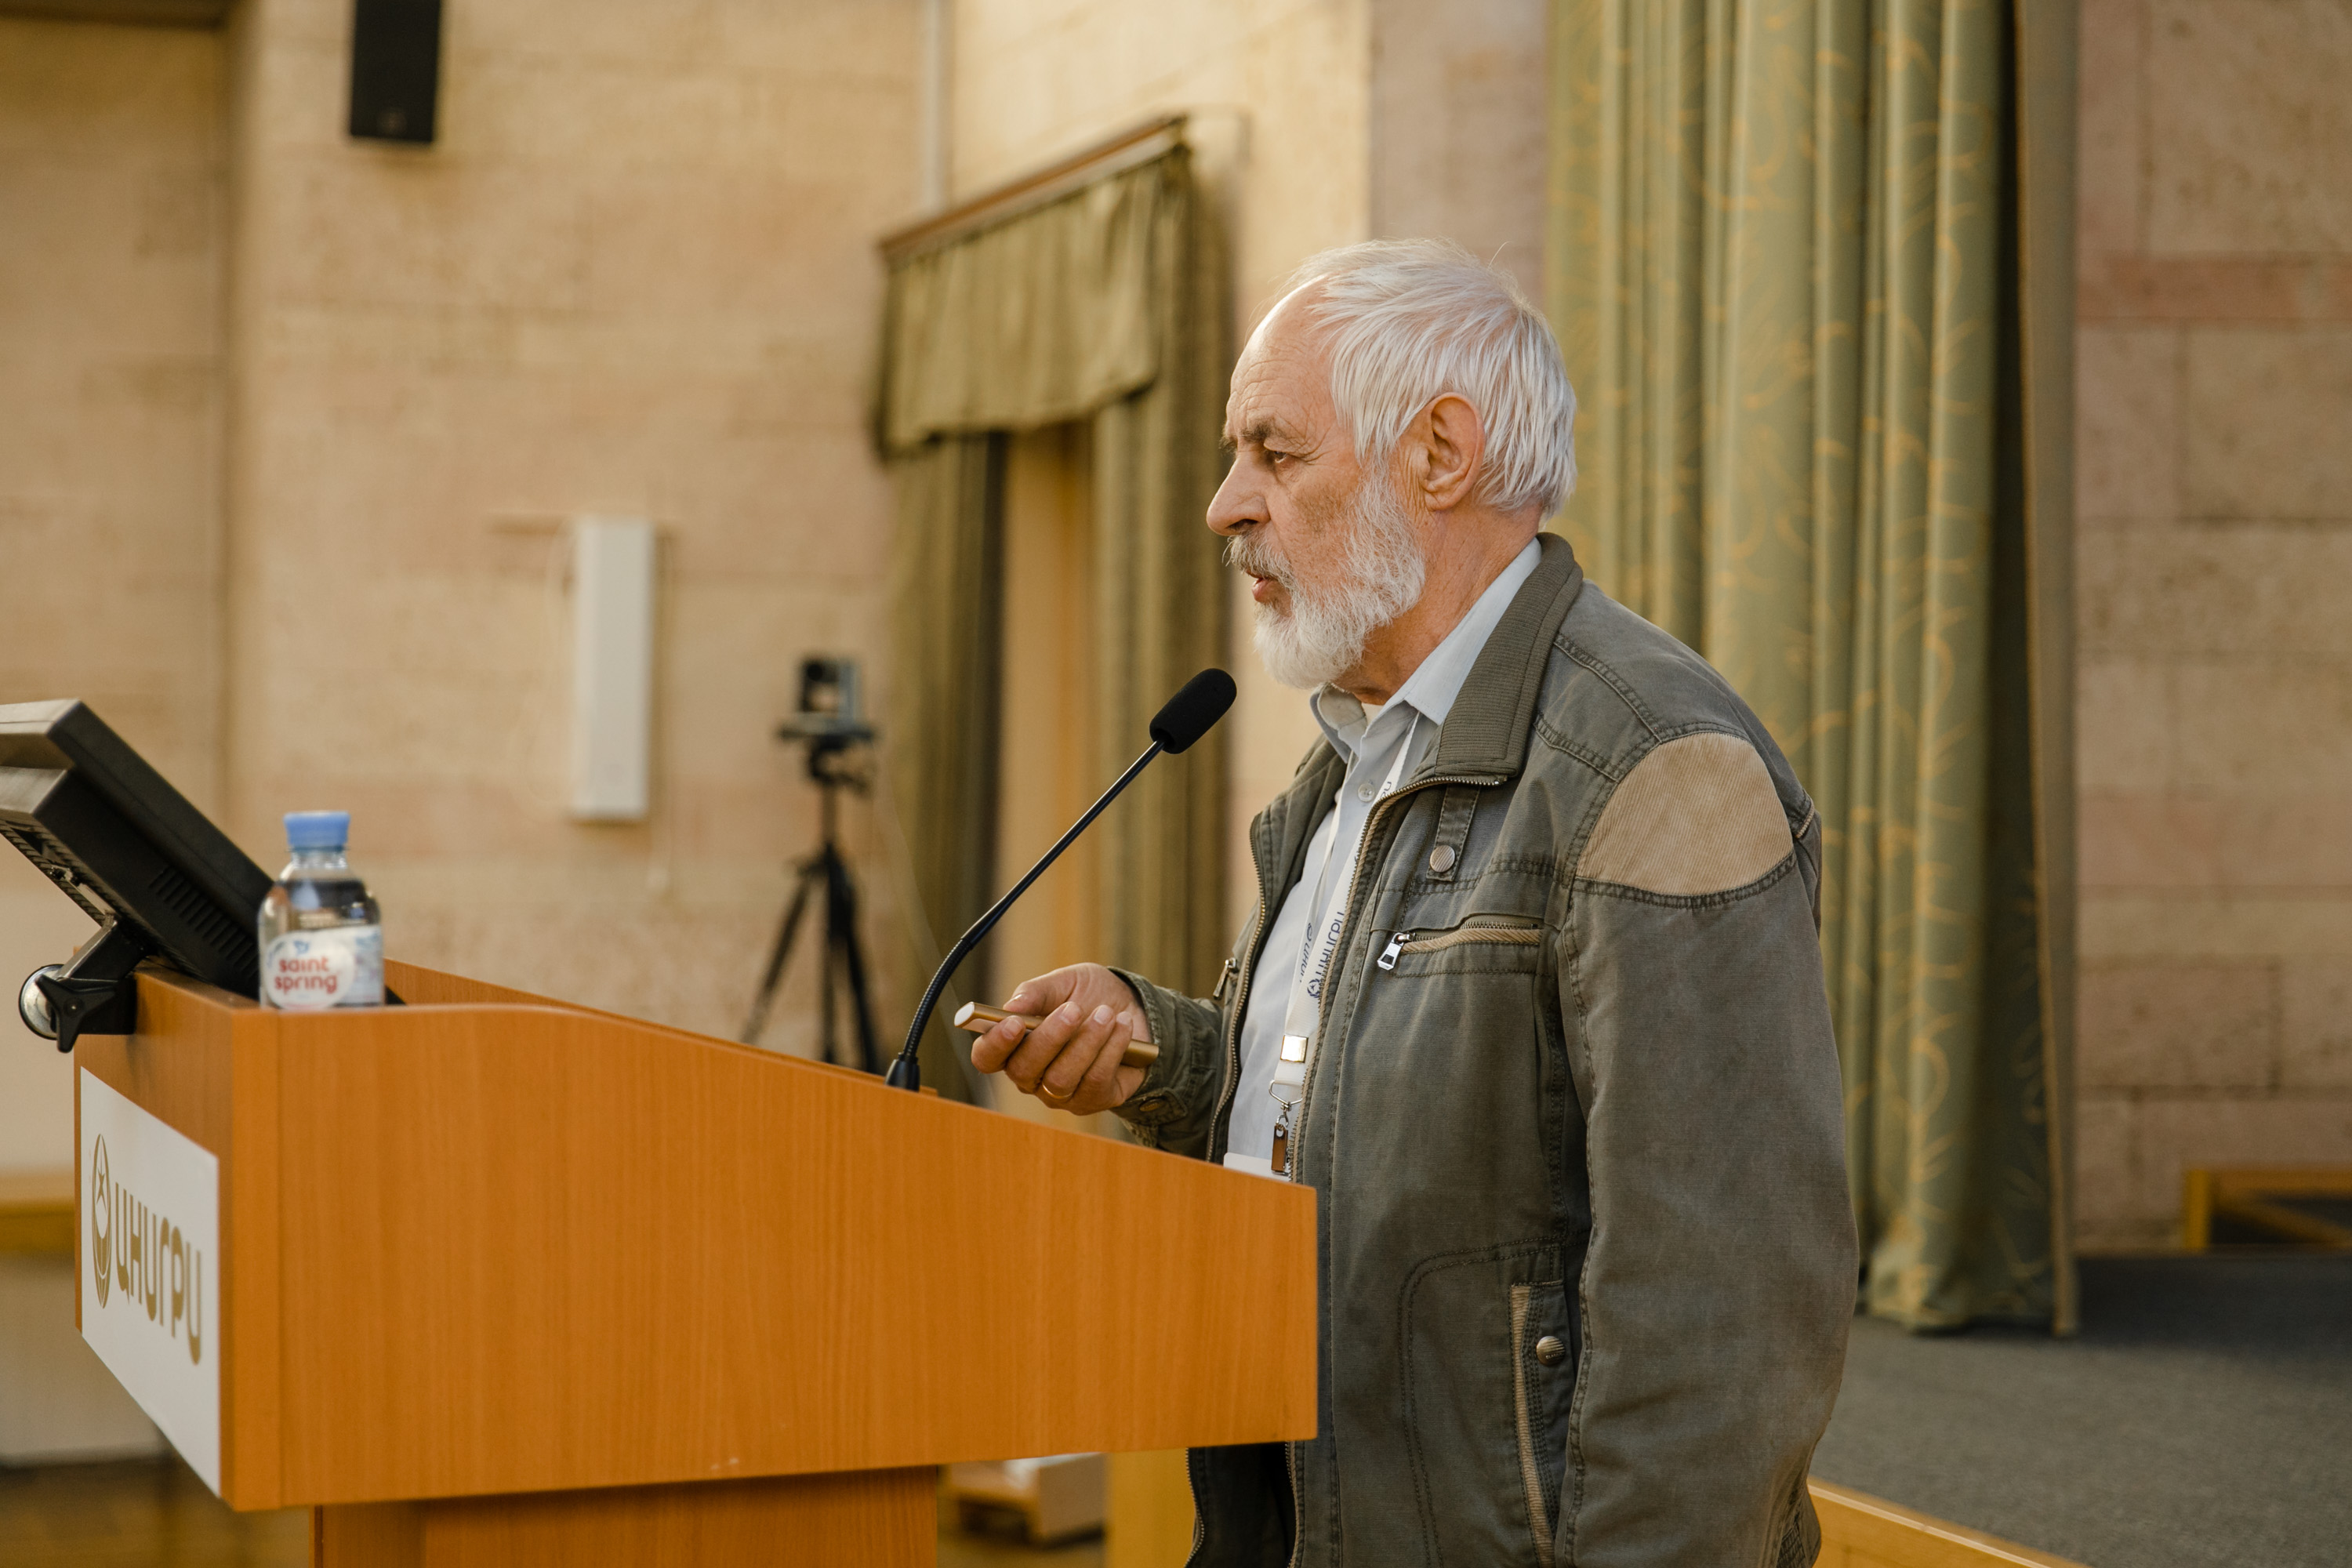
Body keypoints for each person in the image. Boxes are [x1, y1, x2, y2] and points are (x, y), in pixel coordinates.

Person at [971, 238, 1855, 1568]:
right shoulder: (1354, 757)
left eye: (1274, 453)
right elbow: (1378, 1114)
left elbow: (1724, 1318)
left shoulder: (1656, 766)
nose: (1223, 505)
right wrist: (1169, 1055)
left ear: (1440, 453)